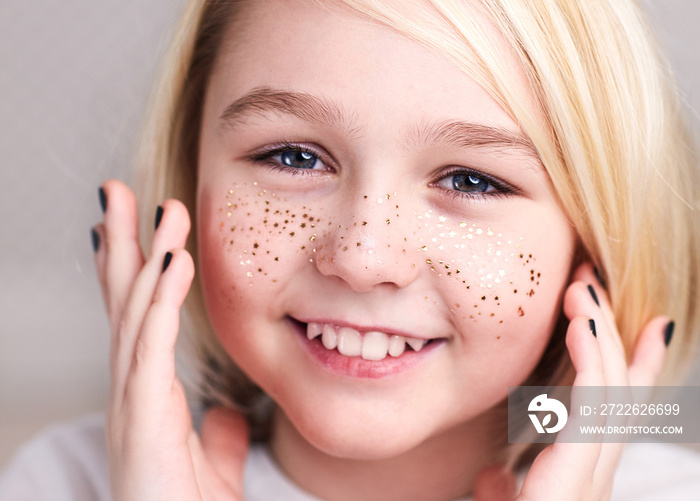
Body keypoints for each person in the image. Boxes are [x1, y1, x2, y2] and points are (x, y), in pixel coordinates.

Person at [2, 0, 700, 499]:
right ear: (191, 177)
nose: (364, 257)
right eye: (295, 156)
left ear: (596, 238)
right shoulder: (64, 482)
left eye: (471, 179)